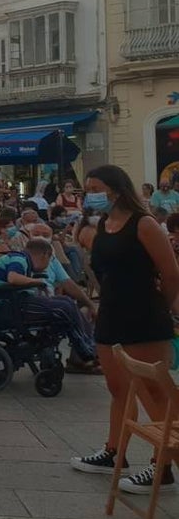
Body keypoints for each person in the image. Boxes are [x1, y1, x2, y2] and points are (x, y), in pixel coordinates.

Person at [70, 165, 179, 494]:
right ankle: (114, 451)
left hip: (143, 316)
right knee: (118, 389)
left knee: (154, 392)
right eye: (88, 188)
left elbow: (170, 270)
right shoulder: (104, 223)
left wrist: (162, 303)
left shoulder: (143, 223)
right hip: (112, 314)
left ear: (116, 189)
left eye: (96, 187)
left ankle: (163, 466)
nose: (91, 194)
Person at [0, 239, 98, 369]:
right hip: (3, 307)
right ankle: (87, 351)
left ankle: (87, 347)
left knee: (66, 301)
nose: (48, 264)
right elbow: (13, 277)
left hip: (12, 303)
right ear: (45, 255)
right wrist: (38, 282)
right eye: (49, 260)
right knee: (64, 308)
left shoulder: (22, 260)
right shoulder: (20, 259)